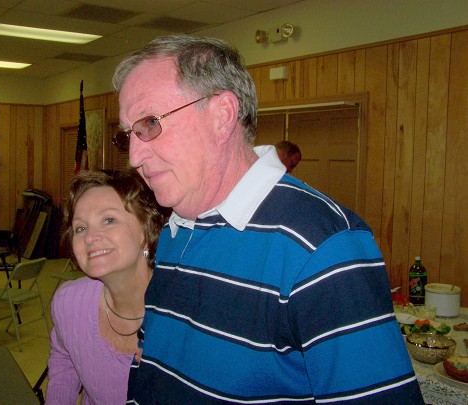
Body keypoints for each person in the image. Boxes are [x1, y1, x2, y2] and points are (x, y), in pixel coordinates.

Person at [112, 34, 424, 403]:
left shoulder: (321, 247)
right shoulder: (176, 230)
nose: (134, 157)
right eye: (128, 135)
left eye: (150, 123)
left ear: (222, 115)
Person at [45, 170, 166, 404]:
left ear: (146, 231)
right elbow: (65, 359)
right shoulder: (69, 303)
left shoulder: (182, 315)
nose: (90, 238)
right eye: (80, 228)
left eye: (109, 220)